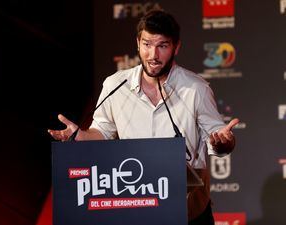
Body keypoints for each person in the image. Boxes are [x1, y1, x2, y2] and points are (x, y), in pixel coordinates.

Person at [48, 9, 239, 225]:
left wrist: (223, 142)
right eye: (147, 44)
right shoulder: (115, 85)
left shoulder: (196, 89)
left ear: (176, 47)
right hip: (138, 209)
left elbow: (216, 139)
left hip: (189, 214)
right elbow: (102, 131)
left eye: (162, 46)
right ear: (138, 42)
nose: (153, 55)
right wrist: (80, 136)